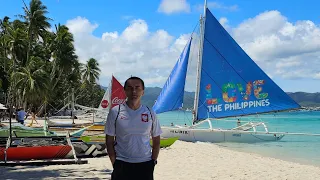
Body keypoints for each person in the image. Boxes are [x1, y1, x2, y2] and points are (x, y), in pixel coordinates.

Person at [105, 76, 162, 180]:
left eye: (137, 88)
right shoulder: (115, 112)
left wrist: (153, 161)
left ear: (143, 92)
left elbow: (156, 140)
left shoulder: (150, 112)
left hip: (145, 164)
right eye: (130, 88)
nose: (134, 91)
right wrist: (114, 162)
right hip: (122, 163)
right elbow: (109, 141)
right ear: (125, 91)